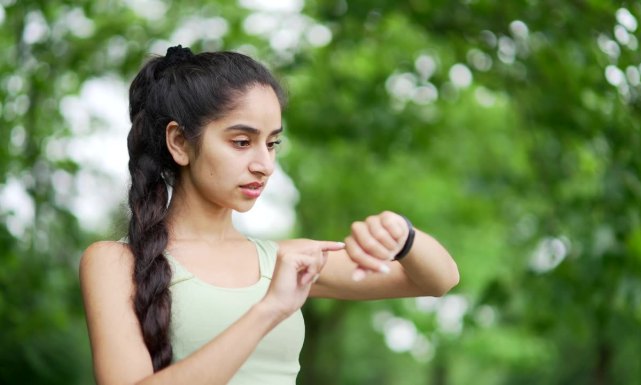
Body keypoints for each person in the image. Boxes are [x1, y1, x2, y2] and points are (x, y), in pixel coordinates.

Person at [79, 45, 459, 385]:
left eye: (272, 143)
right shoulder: (114, 262)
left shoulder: (282, 262)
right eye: (242, 142)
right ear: (180, 142)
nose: (265, 165)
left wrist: (403, 236)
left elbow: (438, 280)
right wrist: (269, 310)